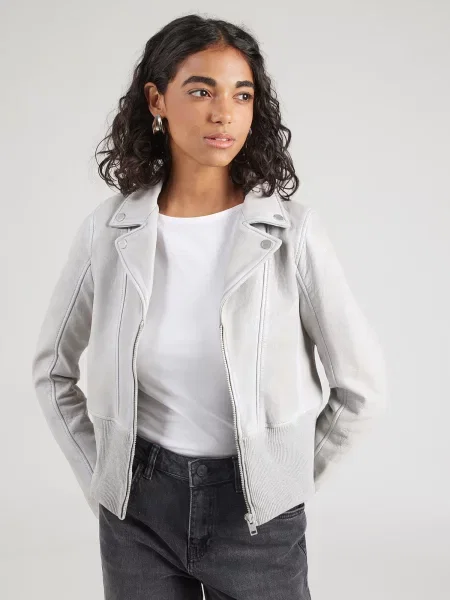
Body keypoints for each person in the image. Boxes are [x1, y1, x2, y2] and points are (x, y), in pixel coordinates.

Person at [31, 13, 388, 600]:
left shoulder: (293, 234)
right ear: (157, 100)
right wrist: (103, 479)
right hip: (137, 512)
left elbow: (361, 388)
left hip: (255, 517)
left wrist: (282, 481)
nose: (224, 113)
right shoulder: (108, 230)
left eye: (241, 95)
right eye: (201, 91)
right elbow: (52, 370)